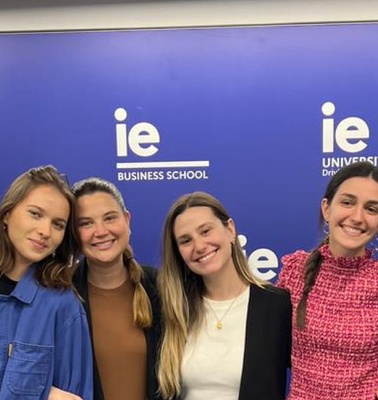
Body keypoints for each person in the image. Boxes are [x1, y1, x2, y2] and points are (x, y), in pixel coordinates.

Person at [157, 191, 292, 400]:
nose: (199, 246)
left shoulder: (277, 306)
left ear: (230, 229)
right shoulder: (174, 309)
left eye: (206, 231)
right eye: (185, 241)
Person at [277, 161, 378, 399]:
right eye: (347, 202)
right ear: (326, 208)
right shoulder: (294, 271)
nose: (357, 217)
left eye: (372, 209)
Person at [0, 165, 93, 400]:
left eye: (58, 224)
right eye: (35, 214)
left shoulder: (63, 306)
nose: (44, 231)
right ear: (7, 214)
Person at [71, 177, 162, 400]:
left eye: (110, 218)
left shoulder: (160, 287)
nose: (100, 231)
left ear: (127, 220)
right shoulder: (60, 292)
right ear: (73, 233)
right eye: (86, 223)